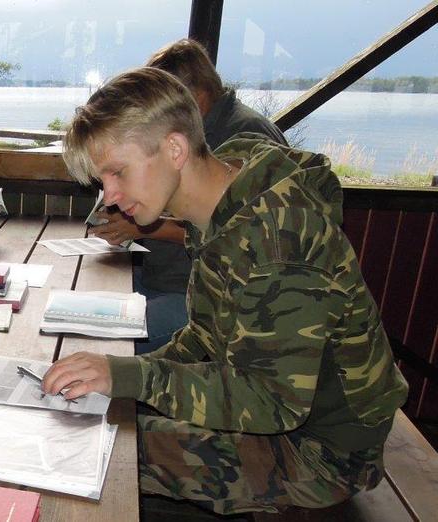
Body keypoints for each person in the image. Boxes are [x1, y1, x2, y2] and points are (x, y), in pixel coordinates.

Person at [45, 67, 407, 514]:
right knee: (90, 421)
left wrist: (132, 378)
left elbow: (274, 403)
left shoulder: (279, 238)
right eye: (103, 181)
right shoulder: (221, 199)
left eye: (117, 173)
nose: (111, 196)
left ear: (174, 148)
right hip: (279, 419)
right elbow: (203, 340)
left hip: (322, 452)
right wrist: (120, 373)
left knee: (97, 449)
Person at [89, 39, 289, 353]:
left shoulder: (246, 135)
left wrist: (143, 227)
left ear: (192, 96)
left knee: (105, 341)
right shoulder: (198, 140)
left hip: (181, 292)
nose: (110, 194)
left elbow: (264, 391)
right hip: (166, 282)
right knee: (88, 311)